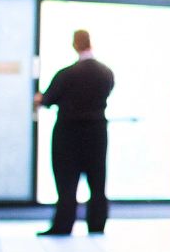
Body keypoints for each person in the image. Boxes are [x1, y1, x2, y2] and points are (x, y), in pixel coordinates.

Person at [35, 29, 115, 236]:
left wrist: (39, 99)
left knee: (66, 181)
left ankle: (63, 224)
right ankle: (97, 224)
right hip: (97, 130)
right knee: (97, 181)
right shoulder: (106, 72)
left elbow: (48, 100)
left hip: (68, 132)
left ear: (74, 45)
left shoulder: (67, 74)